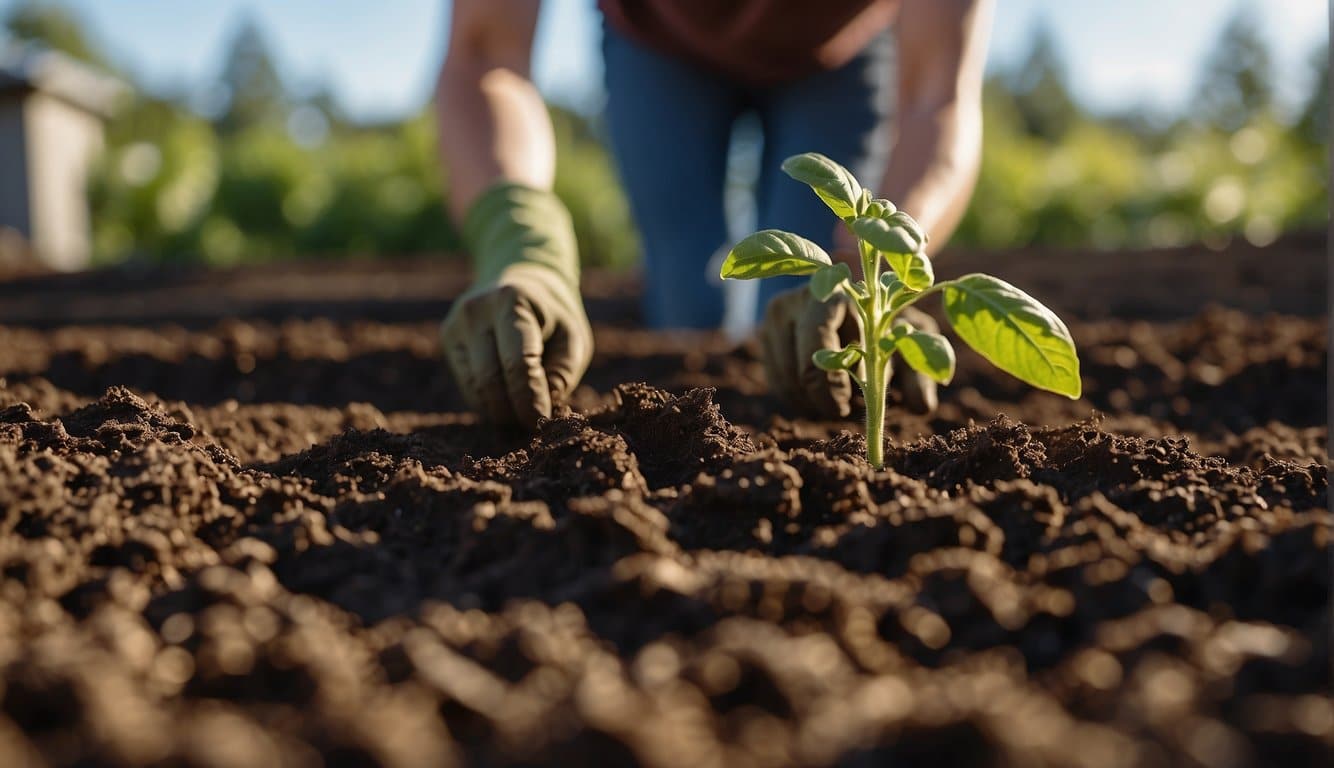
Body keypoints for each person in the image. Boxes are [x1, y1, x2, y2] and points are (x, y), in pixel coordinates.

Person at [437, 0, 993, 428]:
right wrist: (521, 243)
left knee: (812, 319)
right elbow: (486, 55)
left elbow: (936, 92)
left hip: (840, 53)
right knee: (688, 302)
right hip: (656, 40)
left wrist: (880, 264)